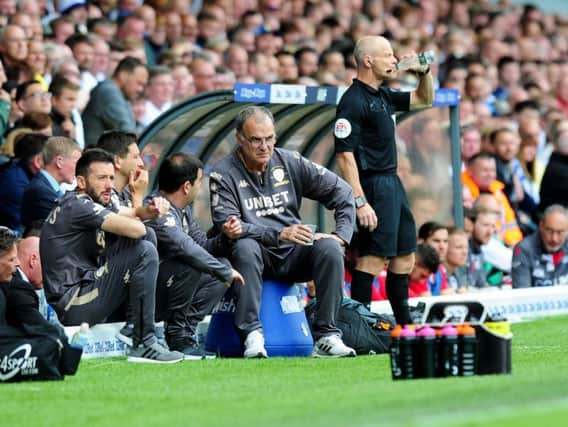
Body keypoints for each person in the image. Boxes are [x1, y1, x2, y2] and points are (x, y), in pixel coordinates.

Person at [209, 106, 356, 358]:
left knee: (329, 248)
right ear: (240, 139)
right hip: (253, 256)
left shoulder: (290, 161)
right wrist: (278, 234)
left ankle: (327, 336)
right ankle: (252, 335)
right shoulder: (222, 174)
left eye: (269, 138)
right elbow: (231, 227)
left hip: (293, 255)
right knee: (244, 246)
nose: (264, 146)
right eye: (256, 139)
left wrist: (340, 236)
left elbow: (343, 192)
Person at [40, 148, 183, 363]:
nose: (109, 185)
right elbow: (137, 229)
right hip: (74, 303)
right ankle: (143, 340)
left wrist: (152, 210)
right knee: (144, 249)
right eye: (101, 178)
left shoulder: (96, 199)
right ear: (81, 181)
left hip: (91, 287)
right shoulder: (78, 205)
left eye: (111, 178)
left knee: (148, 237)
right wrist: (139, 197)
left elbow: (134, 214)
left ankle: (135, 327)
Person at [334, 35, 434, 324]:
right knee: (373, 258)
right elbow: (344, 155)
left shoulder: (382, 96)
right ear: (368, 61)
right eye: (388, 55)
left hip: (393, 183)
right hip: (373, 187)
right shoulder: (353, 101)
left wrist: (423, 70)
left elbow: (424, 98)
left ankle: (404, 325)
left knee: (405, 256)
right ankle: (360, 326)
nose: (394, 60)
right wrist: (360, 200)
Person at [147, 152, 244, 358]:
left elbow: (202, 245)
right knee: (193, 263)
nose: (201, 187)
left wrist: (225, 236)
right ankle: (176, 335)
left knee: (219, 264)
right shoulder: (156, 208)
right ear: (187, 187)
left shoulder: (183, 210)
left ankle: (185, 334)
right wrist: (223, 272)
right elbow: (186, 248)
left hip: (167, 289)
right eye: (200, 181)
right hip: (145, 298)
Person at [82, 56, 148, 147]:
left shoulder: (122, 94)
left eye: (143, 85)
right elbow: (127, 132)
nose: (140, 89)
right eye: (139, 83)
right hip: (95, 157)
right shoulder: (108, 91)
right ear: (123, 75)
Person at [21, 136, 81, 229]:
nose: (79, 169)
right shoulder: (40, 191)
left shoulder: (47, 187)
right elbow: (66, 227)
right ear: (59, 162)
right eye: (76, 163)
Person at [512, 205, 568, 288]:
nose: (554, 239)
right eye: (549, 231)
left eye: (560, 232)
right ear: (541, 225)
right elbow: (522, 295)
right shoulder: (524, 249)